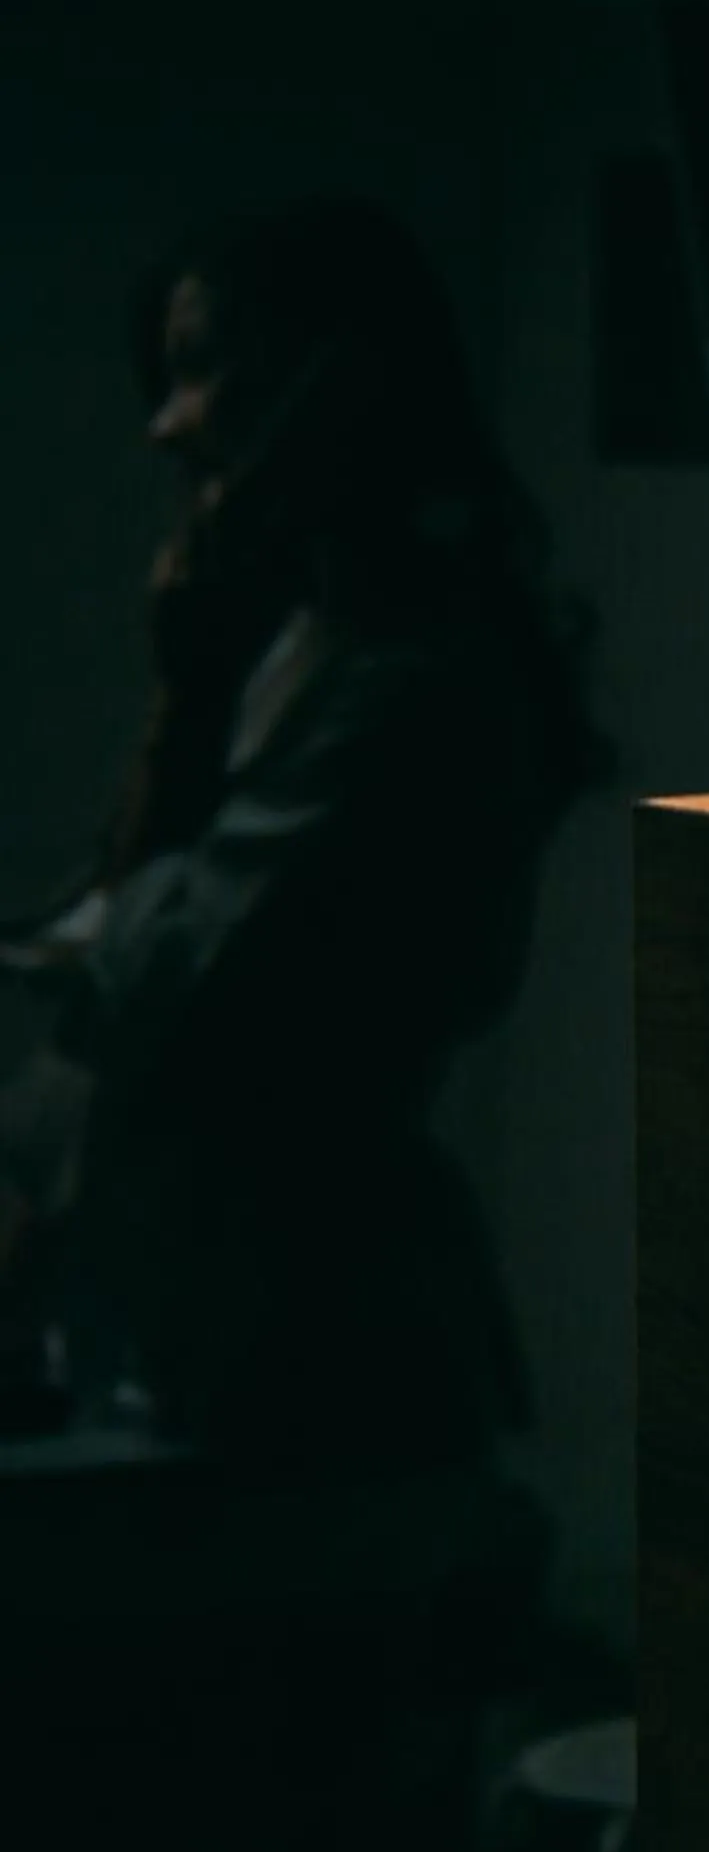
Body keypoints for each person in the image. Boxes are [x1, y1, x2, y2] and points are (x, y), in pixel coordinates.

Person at [0, 198, 605, 1475]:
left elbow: (159, 994)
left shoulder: (424, 683)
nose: (168, 425)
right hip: (189, 1335)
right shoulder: (293, 642)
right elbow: (104, 949)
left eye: (209, 371)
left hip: (307, 1363)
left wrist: (188, 702)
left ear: (334, 388)